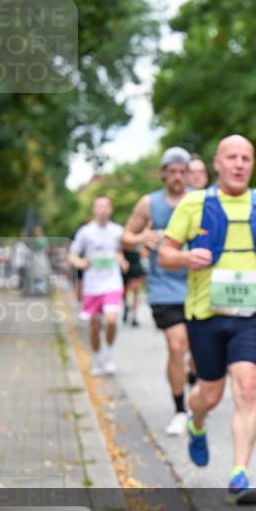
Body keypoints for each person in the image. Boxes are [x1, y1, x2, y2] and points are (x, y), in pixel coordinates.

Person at [159, 135, 256, 504]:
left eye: (246, 158)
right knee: (210, 395)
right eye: (232, 157)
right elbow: (164, 254)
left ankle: (239, 475)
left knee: (247, 388)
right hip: (206, 315)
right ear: (217, 164)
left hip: (252, 314)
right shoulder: (194, 203)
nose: (239, 164)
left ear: (252, 164)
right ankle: (196, 422)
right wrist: (187, 259)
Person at [123, 146, 198, 436]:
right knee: (177, 345)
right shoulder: (149, 203)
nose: (178, 176)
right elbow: (127, 237)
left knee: (196, 351)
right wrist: (142, 236)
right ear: (164, 174)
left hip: (196, 283)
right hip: (163, 284)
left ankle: (194, 389)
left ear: (189, 174)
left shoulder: (199, 201)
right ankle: (180, 410)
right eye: (173, 171)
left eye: (183, 171)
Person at [69, 197, 128, 376]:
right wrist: (79, 263)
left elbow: (120, 251)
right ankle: (96, 360)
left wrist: (122, 260)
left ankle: (109, 355)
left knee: (111, 319)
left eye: (106, 207)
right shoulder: (85, 232)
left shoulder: (118, 231)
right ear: (93, 209)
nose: (102, 210)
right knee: (94, 325)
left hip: (112, 282)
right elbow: (72, 254)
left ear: (111, 209)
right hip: (92, 285)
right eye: (99, 207)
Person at [122, 245, 146, 326]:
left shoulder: (141, 239)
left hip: (136, 268)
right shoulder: (125, 239)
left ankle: (134, 317)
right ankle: (126, 307)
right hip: (125, 268)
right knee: (125, 292)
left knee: (135, 292)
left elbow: (144, 253)